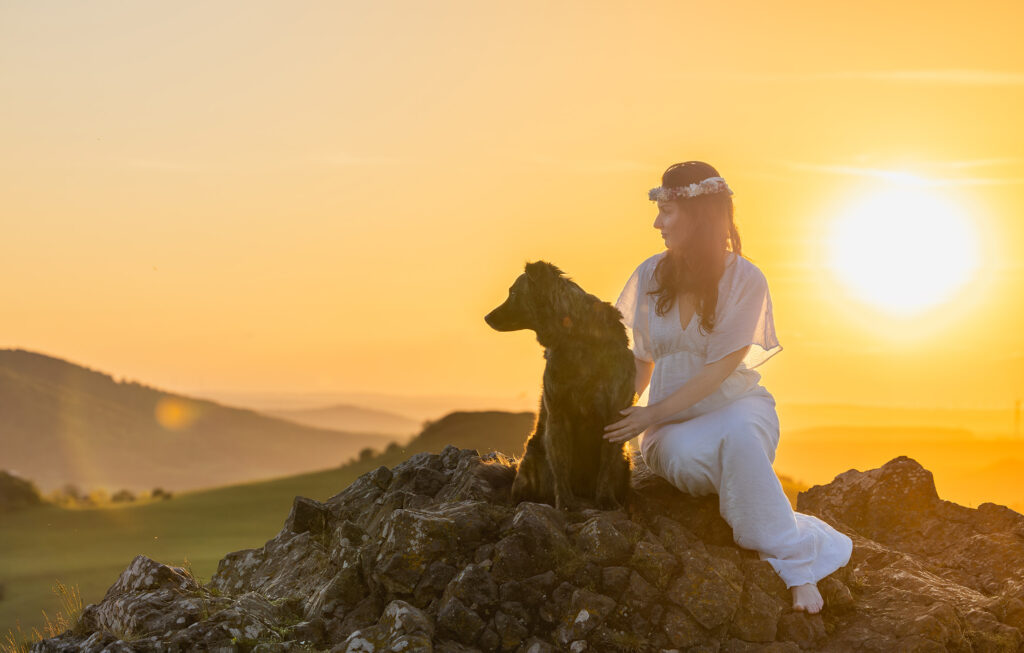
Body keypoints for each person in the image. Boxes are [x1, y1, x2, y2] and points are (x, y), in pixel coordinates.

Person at [603, 161, 853, 614]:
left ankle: (794, 563)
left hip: (739, 407)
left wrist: (648, 414)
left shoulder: (746, 280)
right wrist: (622, 414)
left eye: (668, 211)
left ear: (698, 214)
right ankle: (772, 520)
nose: (656, 222)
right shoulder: (649, 275)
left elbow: (720, 369)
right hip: (670, 429)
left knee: (739, 439)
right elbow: (641, 359)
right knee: (706, 457)